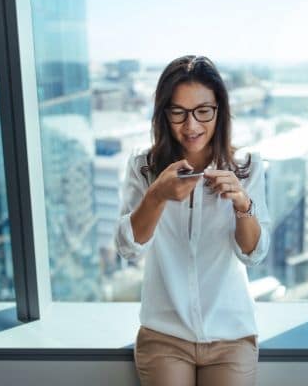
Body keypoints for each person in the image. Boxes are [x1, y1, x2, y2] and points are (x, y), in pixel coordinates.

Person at [114, 55, 271, 386]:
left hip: (231, 333)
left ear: (219, 110)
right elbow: (130, 249)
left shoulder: (247, 166)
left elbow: (253, 254)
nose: (191, 126)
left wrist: (242, 202)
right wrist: (157, 195)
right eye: (178, 112)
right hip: (164, 334)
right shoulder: (143, 166)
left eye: (203, 111)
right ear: (163, 113)